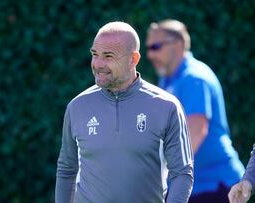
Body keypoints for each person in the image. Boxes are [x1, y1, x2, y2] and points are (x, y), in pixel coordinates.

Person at [55, 21, 193, 203]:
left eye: (108, 56)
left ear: (133, 59)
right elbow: (66, 169)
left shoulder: (166, 106)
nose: (97, 63)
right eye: (94, 54)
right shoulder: (77, 106)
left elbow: (182, 173)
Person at [146, 19, 245, 203]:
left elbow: (195, 133)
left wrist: (157, 173)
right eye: (149, 48)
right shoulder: (168, 80)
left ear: (179, 45)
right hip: (194, 188)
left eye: (156, 46)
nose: (150, 54)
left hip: (217, 187)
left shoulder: (194, 78)